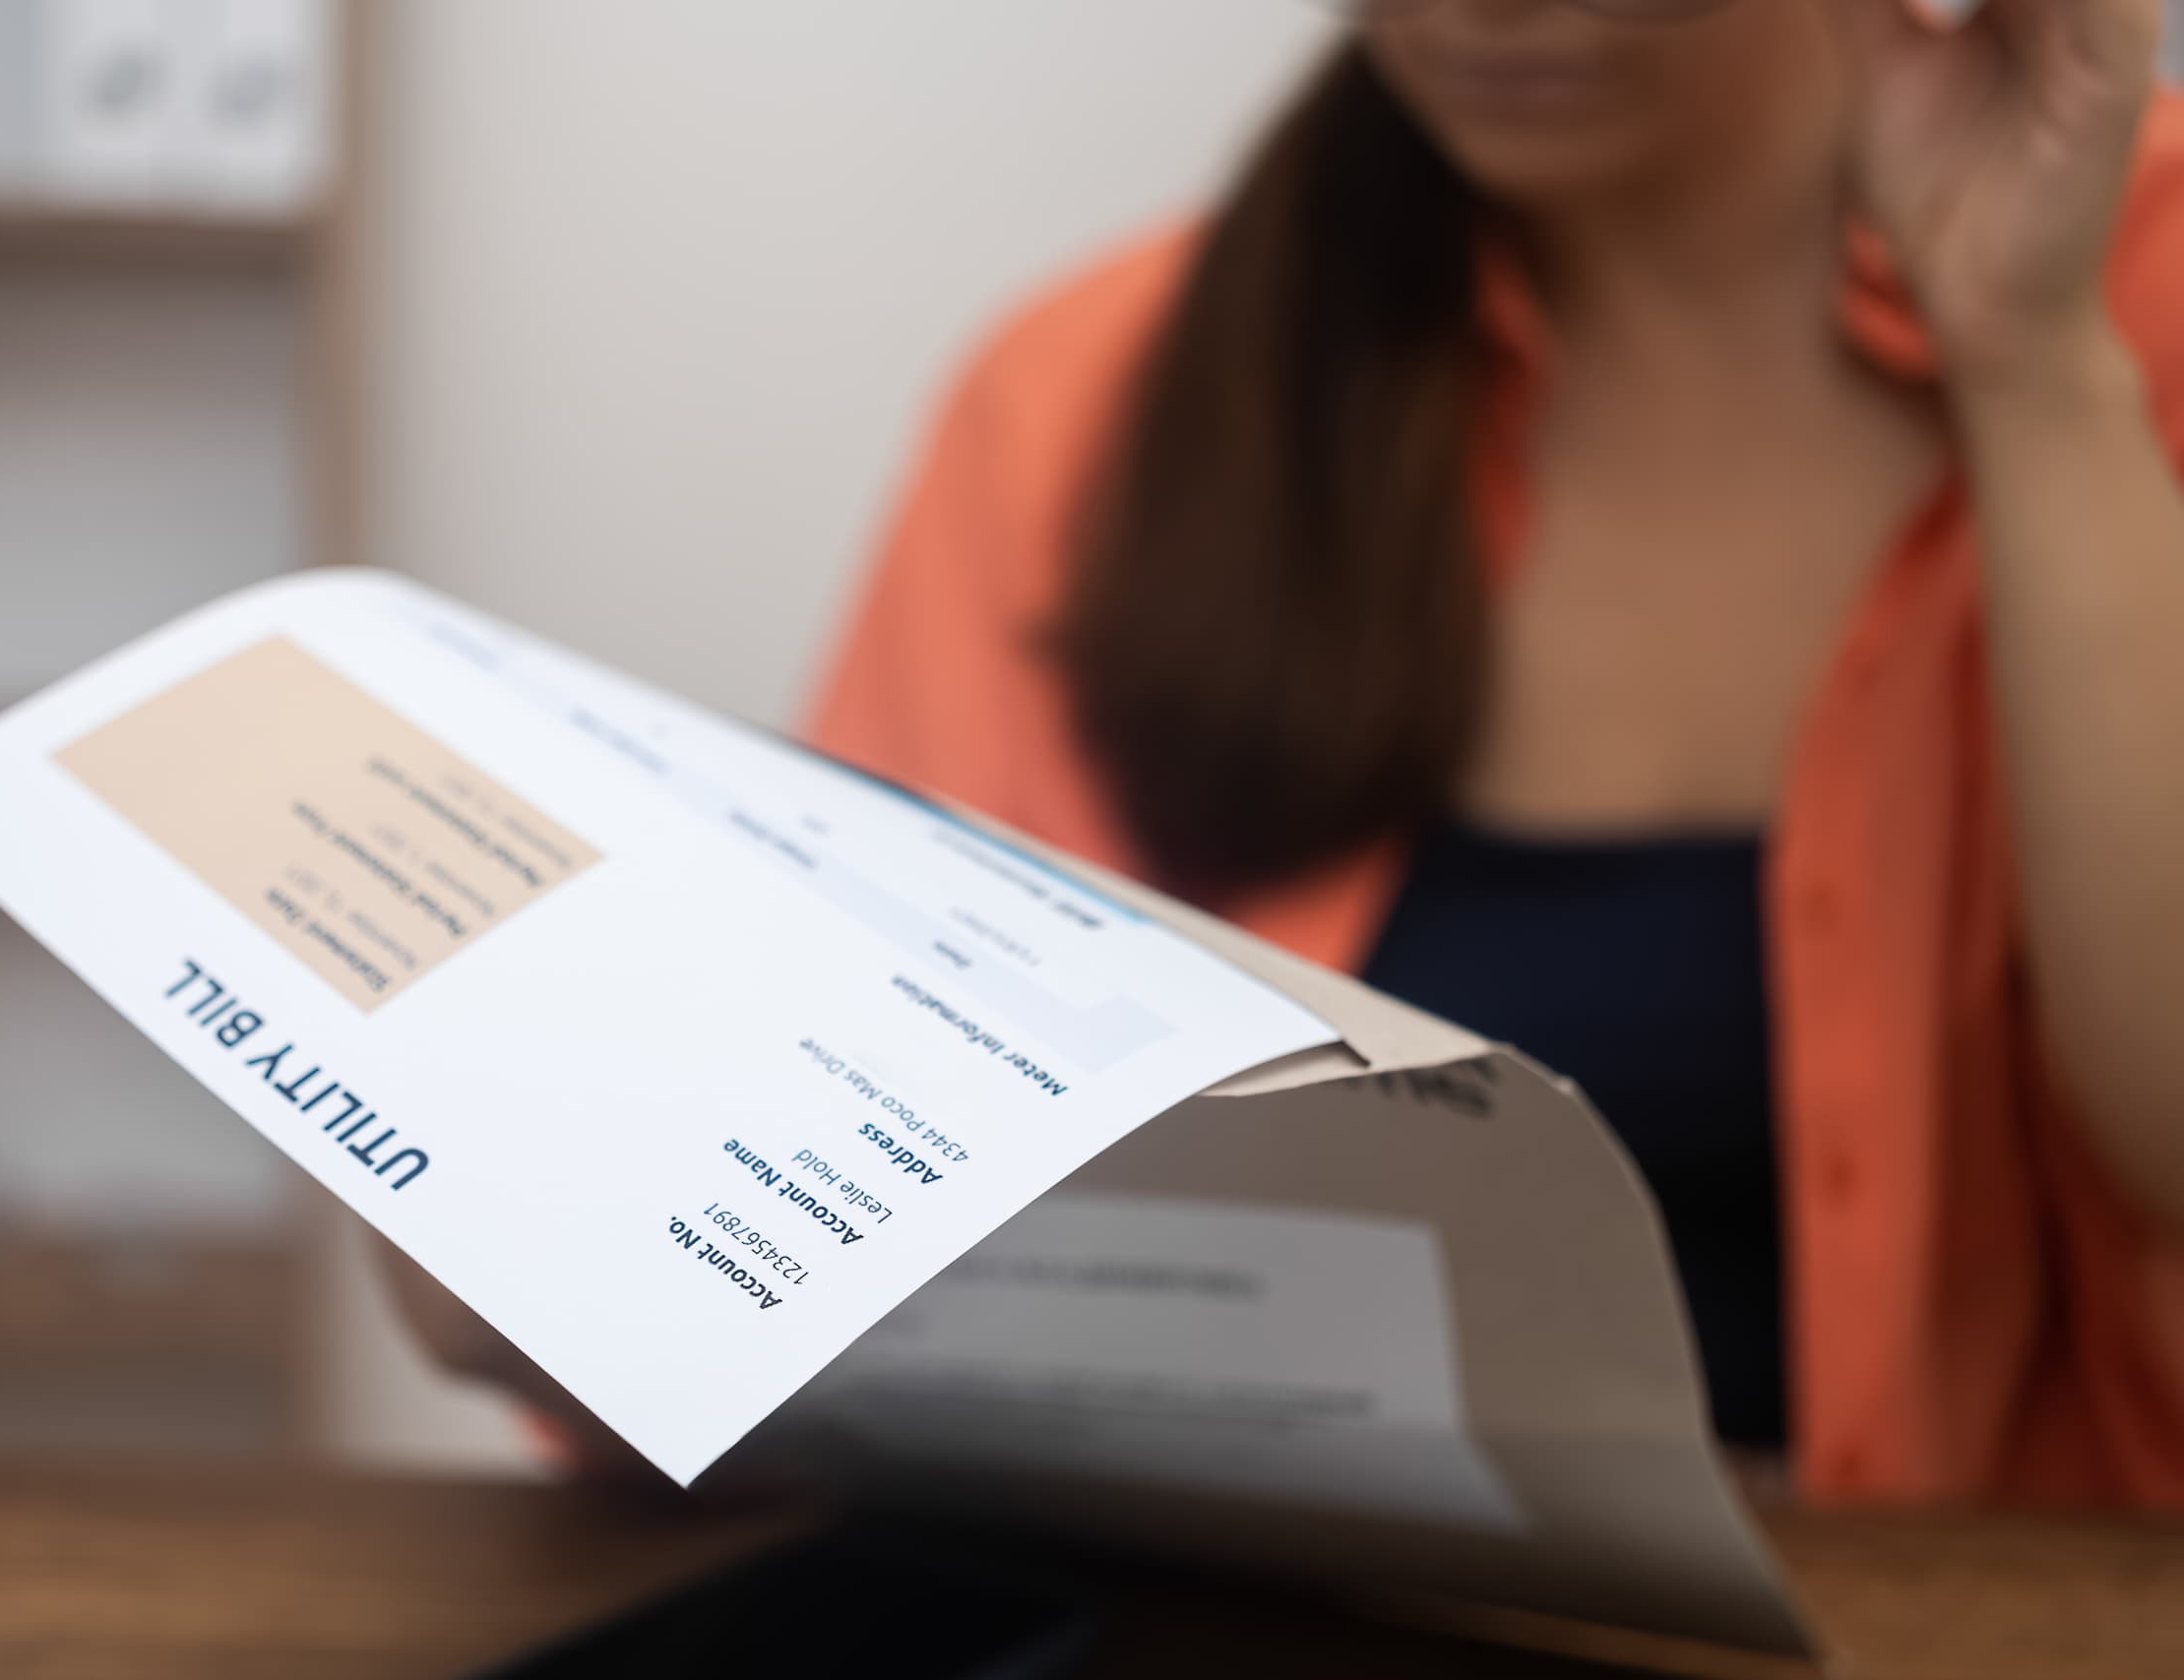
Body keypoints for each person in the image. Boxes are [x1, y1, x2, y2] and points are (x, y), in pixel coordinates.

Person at [399, 0, 2184, 1504]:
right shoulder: (1101, 400)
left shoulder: (2126, 297)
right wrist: (570, 1227)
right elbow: (875, 1173)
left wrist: (2038, 370)